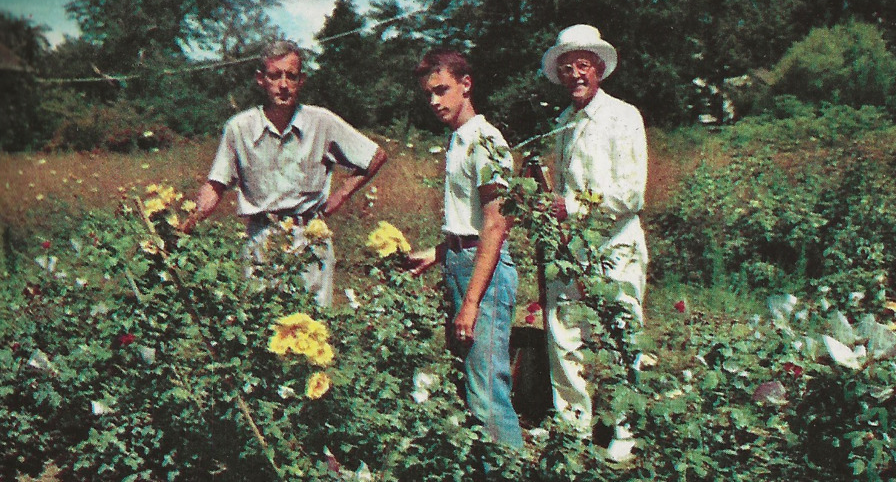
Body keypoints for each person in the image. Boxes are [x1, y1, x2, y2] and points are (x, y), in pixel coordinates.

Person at [181, 39, 387, 307]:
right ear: (261, 79)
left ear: (301, 80)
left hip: (309, 239)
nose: (283, 84)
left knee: (313, 328)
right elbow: (216, 185)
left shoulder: (321, 122)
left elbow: (375, 156)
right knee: (261, 325)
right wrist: (187, 225)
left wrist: (342, 195)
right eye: (275, 75)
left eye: (291, 76)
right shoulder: (239, 128)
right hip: (261, 237)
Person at [540, 24, 649, 462]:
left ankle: (625, 428)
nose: (575, 75)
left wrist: (571, 207)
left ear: (599, 69)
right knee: (563, 331)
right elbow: (559, 185)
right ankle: (573, 425)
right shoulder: (563, 123)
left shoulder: (623, 116)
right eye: (567, 68)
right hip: (572, 249)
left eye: (583, 65)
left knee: (621, 331)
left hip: (617, 244)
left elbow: (632, 191)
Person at [408, 49, 525, 451]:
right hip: (460, 261)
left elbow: (496, 224)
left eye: (442, 90)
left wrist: (472, 302)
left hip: (484, 273)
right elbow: (470, 218)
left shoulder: (486, 141)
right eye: (428, 94)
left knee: (488, 390)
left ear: (466, 85)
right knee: (472, 384)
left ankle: (509, 472)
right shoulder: (457, 140)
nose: (435, 101)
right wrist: (440, 253)